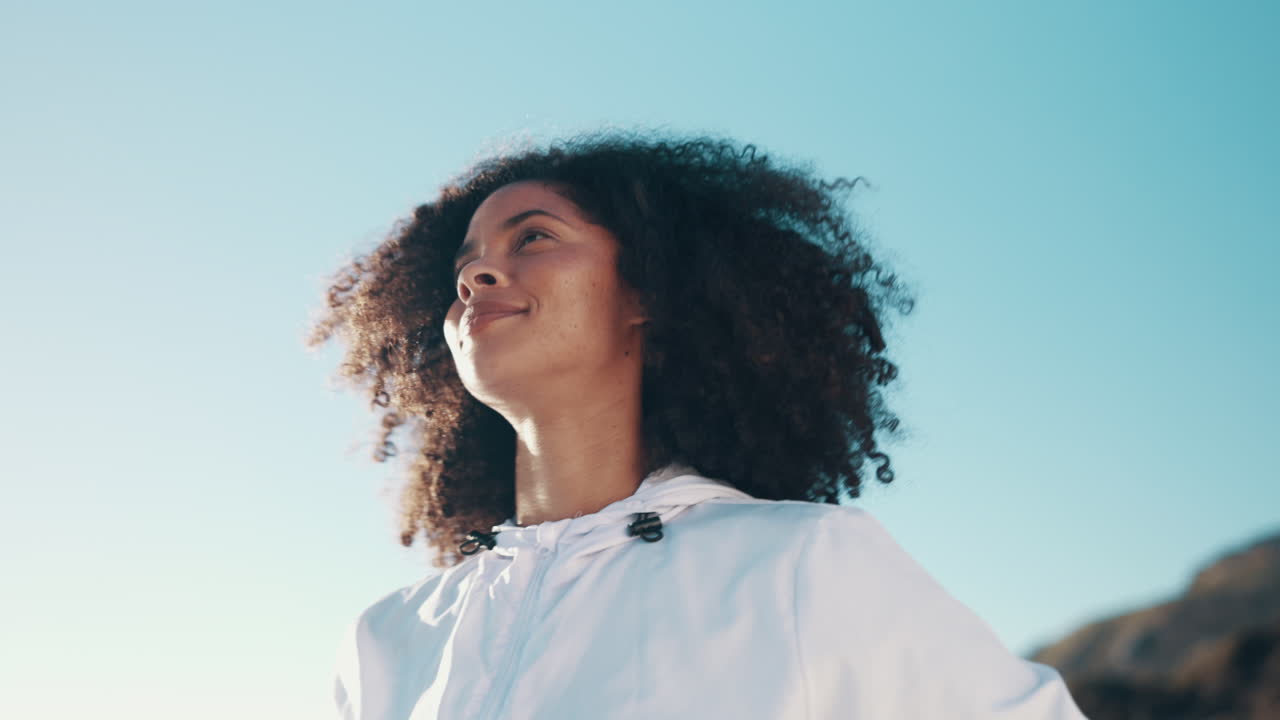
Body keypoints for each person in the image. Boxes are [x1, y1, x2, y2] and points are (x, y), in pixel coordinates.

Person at [307, 129, 1090, 719]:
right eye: (464, 265)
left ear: (647, 289)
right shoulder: (389, 643)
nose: (476, 274)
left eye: (534, 237)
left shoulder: (799, 566)